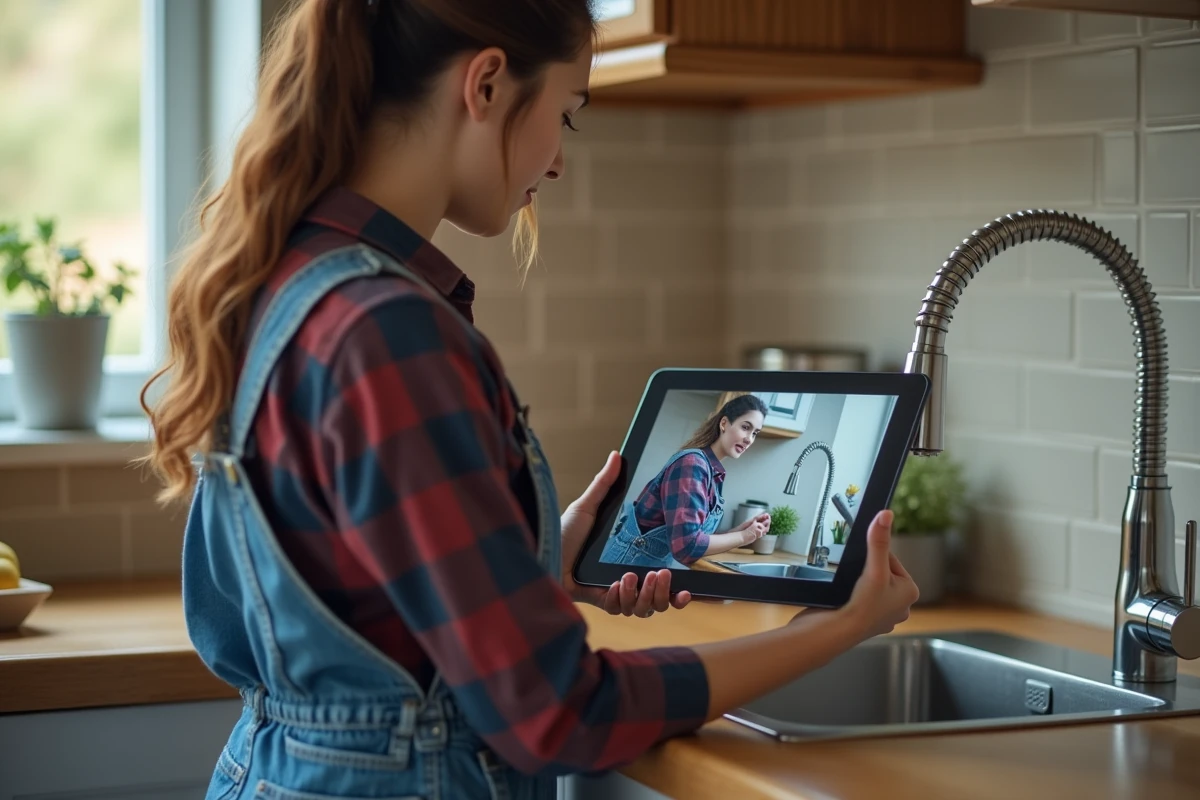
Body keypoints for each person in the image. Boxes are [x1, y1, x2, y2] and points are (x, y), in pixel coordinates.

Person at [138, 2, 920, 798]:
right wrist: (837, 627)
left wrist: (539, 561)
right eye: (566, 115)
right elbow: (559, 716)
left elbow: (354, 590)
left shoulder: (284, 281)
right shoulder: (389, 330)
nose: (556, 163)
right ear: (484, 84)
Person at [600, 394, 774, 570]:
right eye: (746, 427)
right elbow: (686, 546)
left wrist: (738, 532)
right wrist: (745, 537)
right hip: (625, 563)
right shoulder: (693, 464)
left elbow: (696, 535)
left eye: (755, 433)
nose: (749, 439)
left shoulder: (712, 472)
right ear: (724, 424)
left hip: (644, 567)